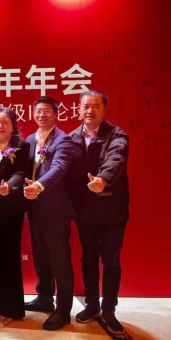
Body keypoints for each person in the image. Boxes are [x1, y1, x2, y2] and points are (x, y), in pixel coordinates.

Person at [67, 90, 130, 335]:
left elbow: (117, 157)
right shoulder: (72, 138)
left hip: (113, 211)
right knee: (89, 259)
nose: (90, 110)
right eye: (86, 106)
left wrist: (103, 179)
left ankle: (110, 310)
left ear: (104, 110)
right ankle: (92, 305)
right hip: (85, 212)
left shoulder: (117, 134)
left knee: (111, 261)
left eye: (96, 106)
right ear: (79, 109)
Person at [23, 96, 80, 331]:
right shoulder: (29, 139)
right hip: (34, 209)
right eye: (38, 111)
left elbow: (58, 168)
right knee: (41, 257)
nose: (42, 114)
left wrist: (39, 185)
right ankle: (44, 297)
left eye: (47, 110)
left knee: (60, 260)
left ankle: (63, 310)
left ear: (56, 114)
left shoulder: (63, 140)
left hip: (56, 210)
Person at [0, 107, 31, 325]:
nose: (0, 126)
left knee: (9, 257)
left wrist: (9, 186)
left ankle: (11, 307)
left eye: (5, 123)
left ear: (13, 125)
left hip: (10, 208)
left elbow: (21, 172)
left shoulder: (21, 146)